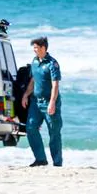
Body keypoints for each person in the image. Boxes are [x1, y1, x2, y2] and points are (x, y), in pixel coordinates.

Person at [22, 36, 63, 167]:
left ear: (43, 48)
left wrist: (52, 102)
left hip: (49, 103)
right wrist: (26, 94)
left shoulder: (52, 63)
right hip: (35, 102)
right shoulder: (34, 61)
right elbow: (33, 80)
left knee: (54, 133)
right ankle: (40, 159)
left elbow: (55, 85)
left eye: (36, 48)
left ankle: (57, 163)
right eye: (33, 48)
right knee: (31, 128)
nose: (34, 50)